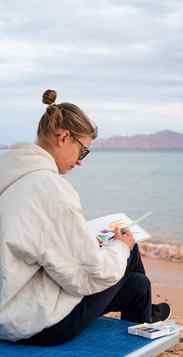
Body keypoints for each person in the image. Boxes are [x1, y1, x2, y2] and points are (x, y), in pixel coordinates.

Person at [0, 90, 171, 346]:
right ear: (64, 137)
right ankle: (147, 322)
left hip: (9, 300)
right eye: (83, 151)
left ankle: (147, 314)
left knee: (138, 286)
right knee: (128, 250)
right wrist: (120, 248)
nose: (81, 162)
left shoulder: (10, 173)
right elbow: (87, 275)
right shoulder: (50, 188)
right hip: (32, 323)